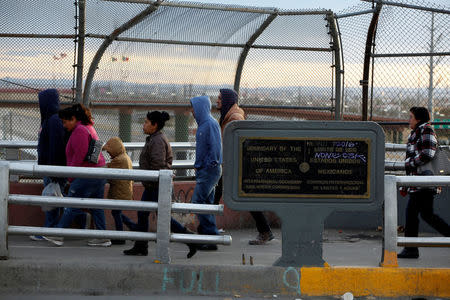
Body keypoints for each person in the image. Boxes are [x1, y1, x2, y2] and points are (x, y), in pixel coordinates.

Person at [123, 111, 197, 258]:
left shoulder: (157, 141)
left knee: (160, 217)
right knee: (145, 214)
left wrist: (149, 179)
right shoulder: (155, 138)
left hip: (156, 185)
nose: (143, 125)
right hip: (154, 185)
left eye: (146, 122)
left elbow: (157, 165)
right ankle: (141, 245)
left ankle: (189, 239)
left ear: (154, 125)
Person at [43, 104, 111, 247]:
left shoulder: (79, 131)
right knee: (97, 206)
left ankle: (58, 234)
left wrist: (70, 177)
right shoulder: (88, 127)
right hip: (98, 172)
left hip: (86, 175)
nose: (64, 125)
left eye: (65, 121)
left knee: (71, 204)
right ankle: (103, 236)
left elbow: (79, 156)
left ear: (73, 119)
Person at [215, 89, 274, 245]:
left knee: (223, 194)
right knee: (233, 195)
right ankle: (265, 231)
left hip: (237, 165)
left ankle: (205, 227)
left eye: (220, 98)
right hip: (235, 164)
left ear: (227, 100)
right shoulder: (229, 116)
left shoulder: (234, 118)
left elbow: (238, 143)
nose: (217, 100)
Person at [397, 107, 450, 259]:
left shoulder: (426, 131)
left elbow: (428, 153)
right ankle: (411, 249)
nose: (409, 120)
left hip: (424, 182)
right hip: (419, 182)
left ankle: (411, 249)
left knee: (412, 214)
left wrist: (410, 163)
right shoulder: (418, 131)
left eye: (411, 117)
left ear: (418, 119)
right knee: (427, 215)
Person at [30, 89, 71, 241]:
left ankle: (49, 230)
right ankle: (79, 216)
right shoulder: (48, 119)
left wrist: (54, 171)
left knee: (52, 200)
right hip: (48, 168)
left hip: (53, 168)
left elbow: (57, 147)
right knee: (55, 198)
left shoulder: (54, 120)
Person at [190, 96, 222, 251]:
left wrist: (209, 164)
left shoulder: (210, 124)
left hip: (209, 170)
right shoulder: (204, 125)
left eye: (194, 108)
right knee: (207, 205)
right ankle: (210, 237)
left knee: (197, 202)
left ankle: (210, 235)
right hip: (205, 170)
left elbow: (215, 148)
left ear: (200, 108)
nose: (192, 112)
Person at [102, 137, 136, 245]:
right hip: (124, 190)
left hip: (119, 191)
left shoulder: (118, 160)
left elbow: (106, 171)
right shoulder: (125, 157)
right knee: (117, 212)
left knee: (116, 212)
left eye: (109, 151)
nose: (109, 154)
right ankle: (133, 227)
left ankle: (121, 236)